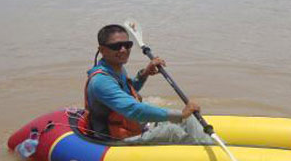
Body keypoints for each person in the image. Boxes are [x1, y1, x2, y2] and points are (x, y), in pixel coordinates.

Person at [84, 24, 212, 144]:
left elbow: (129, 91)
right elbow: (134, 110)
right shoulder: (101, 81)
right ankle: (207, 157)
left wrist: (144, 74)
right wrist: (180, 114)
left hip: (131, 126)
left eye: (127, 44)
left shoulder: (116, 67)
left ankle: (212, 146)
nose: (123, 50)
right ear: (102, 50)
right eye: (116, 46)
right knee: (173, 131)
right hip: (114, 139)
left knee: (189, 118)